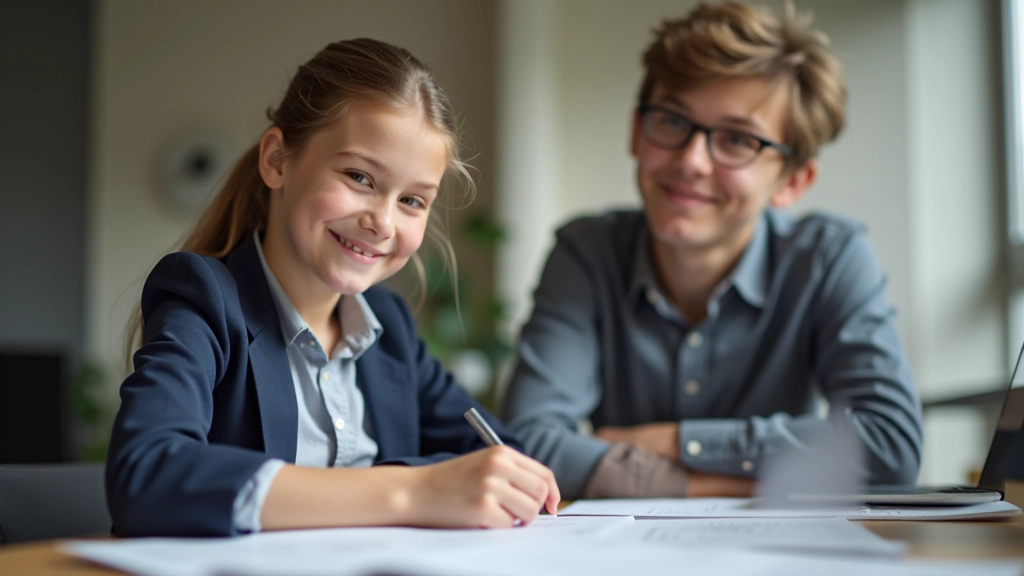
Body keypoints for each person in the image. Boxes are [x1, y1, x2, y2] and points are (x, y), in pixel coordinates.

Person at [106, 38, 559, 537]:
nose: (383, 223)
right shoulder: (204, 299)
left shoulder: (390, 331)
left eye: (412, 200)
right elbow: (146, 475)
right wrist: (414, 492)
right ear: (277, 160)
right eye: (359, 176)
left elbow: (504, 456)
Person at [502, 2, 923, 500]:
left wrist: (678, 440)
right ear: (637, 131)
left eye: (737, 140)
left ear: (793, 180)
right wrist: (712, 481)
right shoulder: (586, 252)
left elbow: (888, 447)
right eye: (673, 121)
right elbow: (527, 445)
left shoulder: (830, 259)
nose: (692, 161)